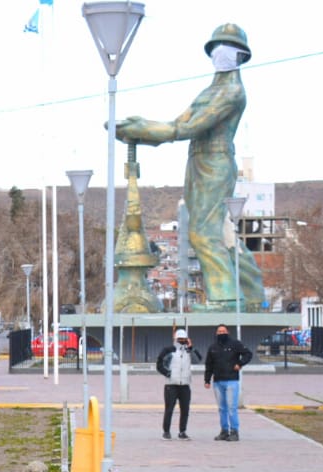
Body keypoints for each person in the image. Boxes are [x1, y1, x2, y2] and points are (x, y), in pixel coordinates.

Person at [114, 23, 263, 308]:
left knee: (202, 233)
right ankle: (252, 292)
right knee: (219, 232)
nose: (221, 53)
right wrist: (140, 133)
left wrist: (145, 128)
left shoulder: (232, 91)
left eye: (228, 48)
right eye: (217, 47)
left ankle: (227, 298)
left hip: (215, 162)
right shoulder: (211, 89)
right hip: (198, 160)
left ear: (241, 55)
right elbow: (180, 124)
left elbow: (191, 126)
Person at [203, 324, 252, 441]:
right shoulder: (212, 347)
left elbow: (248, 354)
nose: (221, 333)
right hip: (217, 382)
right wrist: (207, 380)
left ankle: (234, 432)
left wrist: (240, 364)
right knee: (221, 408)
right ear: (216, 333)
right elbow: (208, 364)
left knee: (231, 408)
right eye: (219, 331)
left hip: (231, 381)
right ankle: (224, 431)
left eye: (223, 331)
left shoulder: (235, 344)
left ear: (228, 332)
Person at [156, 329, 202, 440]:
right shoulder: (168, 350)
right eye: (179, 339)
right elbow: (159, 364)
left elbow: (198, 360)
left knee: (185, 410)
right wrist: (168, 373)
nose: (182, 341)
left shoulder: (188, 351)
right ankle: (166, 432)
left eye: (184, 339)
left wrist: (191, 347)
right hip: (171, 384)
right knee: (169, 409)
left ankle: (182, 432)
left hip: (185, 384)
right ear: (175, 339)